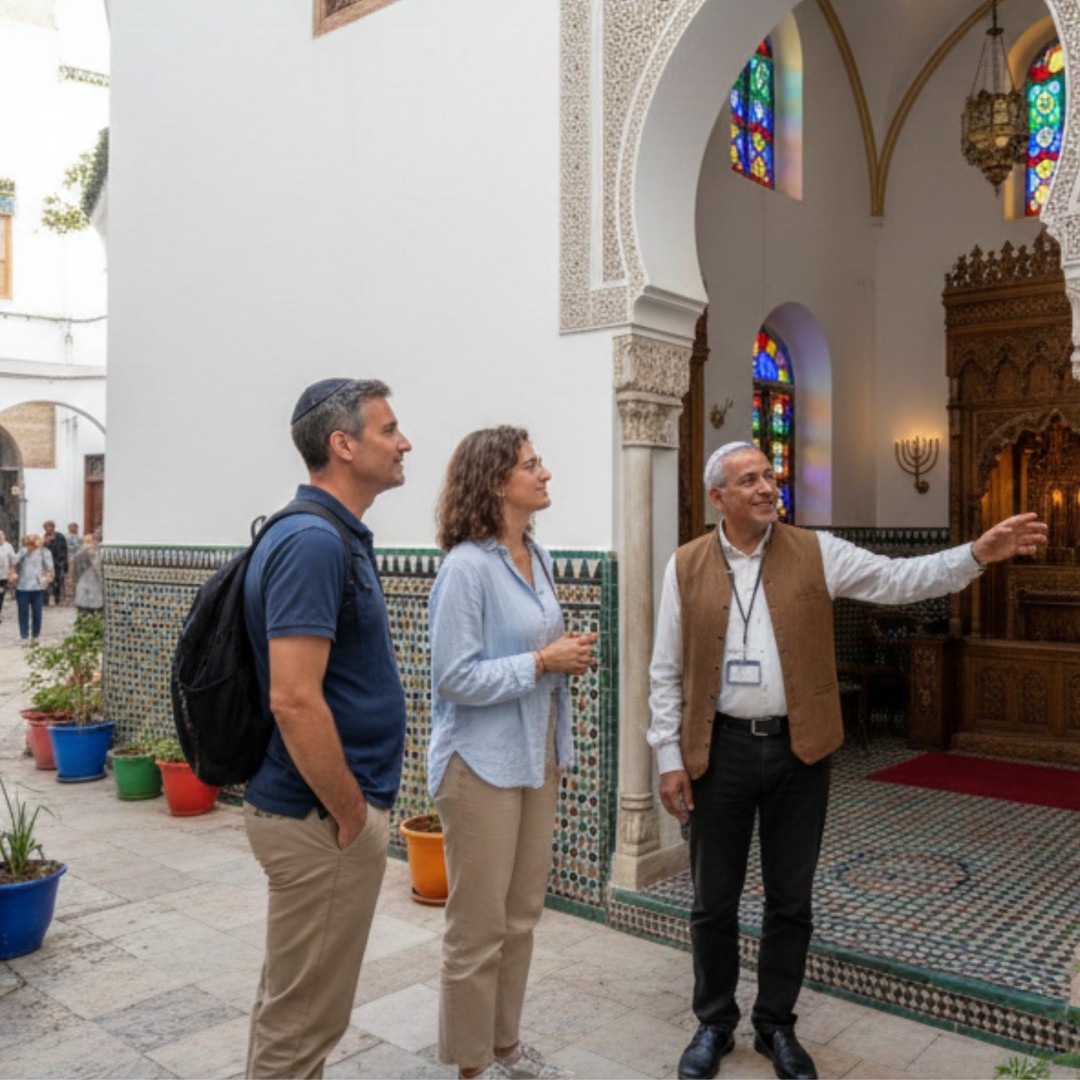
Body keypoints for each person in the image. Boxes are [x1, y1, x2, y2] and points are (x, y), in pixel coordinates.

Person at [649, 441, 1048, 1080]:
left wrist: (975, 554)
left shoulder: (817, 552)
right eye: (749, 480)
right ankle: (714, 1023)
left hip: (799, 749)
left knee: (790, 901)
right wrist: (668, 755)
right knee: (712, 902)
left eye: (769, 475)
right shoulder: (685, 565)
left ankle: (776, 1026)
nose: (766, 487)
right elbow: (665, 668)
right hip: (718, 751)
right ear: (718, 497)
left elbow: (897, 579)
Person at [242, 378, 412, 1079]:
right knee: (302, 1025)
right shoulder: (314, 541)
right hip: (319, 819)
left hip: (321, 815)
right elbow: (293, 699)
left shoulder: (328, 533)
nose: (404, 443)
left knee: (298, 1010)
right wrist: (350, 814)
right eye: (388, 429)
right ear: (342, 444)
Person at [428, 427, 597, 1080]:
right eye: (532, 464)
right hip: (479, 765)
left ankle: (505, 1048)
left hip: (536, 757)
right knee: (477, 928)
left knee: (521, 917)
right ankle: (472, 1065)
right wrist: (541, 661)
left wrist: (559, 659)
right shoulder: (466, 568)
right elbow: (454, 677)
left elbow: (539, 653)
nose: (545, 473)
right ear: (498, 482)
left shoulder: (539, 555)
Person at [13, 534, 55, 641]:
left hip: (38, 587)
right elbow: (14, 562)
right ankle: (24, 633)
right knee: (23, 612)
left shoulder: (44, 552)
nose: (31, 544)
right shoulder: (23, 551)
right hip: (22, 586)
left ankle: (35, 633)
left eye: (33, 541)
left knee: (37, 612)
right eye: (29, 541)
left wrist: (46, 578)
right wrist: (24, 552)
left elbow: (50, 567)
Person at [73, 529, 103, 620]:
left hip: (95, 578)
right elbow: (77, 560)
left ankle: (93, 615)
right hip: (86, 575)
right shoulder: (86, 547)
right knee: (85, 596)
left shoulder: (101, 547)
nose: (96, 536)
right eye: (95, 534)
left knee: (95, 597)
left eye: (99, 534)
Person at [42, 521, 67, 607]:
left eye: (50, 527)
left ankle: (57, 599)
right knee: (45, 582)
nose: (49, 529)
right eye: (47, 527)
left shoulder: (59, 537)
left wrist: (63, 563)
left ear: (54, 527)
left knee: (57, 582)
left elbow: (63, 550)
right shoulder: (43, 538)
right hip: (45, 564)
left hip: (57, 563)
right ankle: (45, 600)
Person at [0, 529, 14, 622]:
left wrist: (11, 573)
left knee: (0, 594)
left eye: (1, 536)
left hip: (3, 576)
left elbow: (12, 560)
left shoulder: (8, 546)